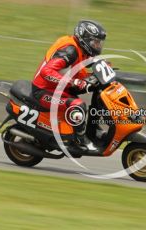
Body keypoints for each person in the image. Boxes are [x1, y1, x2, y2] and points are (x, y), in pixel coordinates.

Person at [32, 20, 106, 152]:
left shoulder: (81, 50)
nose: (98, 46)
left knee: (97, 88)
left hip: (57, 88)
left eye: (99, 43)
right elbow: (46, 72)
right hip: (43, 90)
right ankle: (80, 139)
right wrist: (72, 82)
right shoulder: (70, 50)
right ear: (85, 39)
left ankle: (94, 130)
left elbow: (79, 71)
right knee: (78, 105)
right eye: (95, 42)